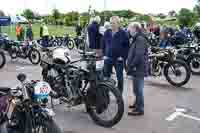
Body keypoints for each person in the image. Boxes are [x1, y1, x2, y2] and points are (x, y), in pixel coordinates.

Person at [101, 16, 129, 93]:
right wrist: (104, 55)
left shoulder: (124, 33)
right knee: (106, 77)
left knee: (120, 77)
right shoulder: (107, 32)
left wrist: (123, 57)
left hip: (118, 60)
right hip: (108, 58)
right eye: (111, 23)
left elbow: (127, 47)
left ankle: (119, 94)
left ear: (118, 24)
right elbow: (103, 44)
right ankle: (105, 94)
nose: (112, 25)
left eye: (113, 23)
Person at [127, 22, 149, 116]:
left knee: (138, 89)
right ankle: (137, 104)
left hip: (138, 67)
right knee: (136, 89)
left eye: (130, 29)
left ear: (135, 29)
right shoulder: (138, 38)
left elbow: (138, 55)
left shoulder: (140, 39)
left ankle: (139, 109)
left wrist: (132, 65)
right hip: (137, 67)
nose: (129, 31)